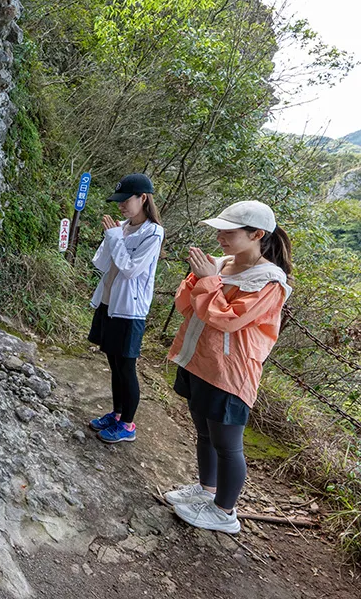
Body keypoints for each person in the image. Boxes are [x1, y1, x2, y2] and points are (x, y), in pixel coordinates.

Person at [163, 200, 292, 534]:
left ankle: (225, 512)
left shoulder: (269, 281)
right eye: (218, 230)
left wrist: (207, 282)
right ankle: (206, 489)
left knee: (227, 444)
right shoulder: (219, 265)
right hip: (199, 360)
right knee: (204, 432)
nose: (220, 238)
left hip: (230, 373)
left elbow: (229, 320)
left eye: (228, 232)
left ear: (257, 235)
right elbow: (185, 307)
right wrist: (197, 279)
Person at [87, 173, 164, 443]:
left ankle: (128, 425)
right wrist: (112, 237)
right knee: (113, 361)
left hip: (130, 309)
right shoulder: (121, 227)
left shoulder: (153, 232)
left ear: (143, 198)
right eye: (118, 201)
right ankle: (117, 413)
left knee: (126, 366)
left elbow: (131, 270)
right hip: (109, 303)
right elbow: (100, 261)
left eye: (126, 200)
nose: (121, 206)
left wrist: (115, 238)